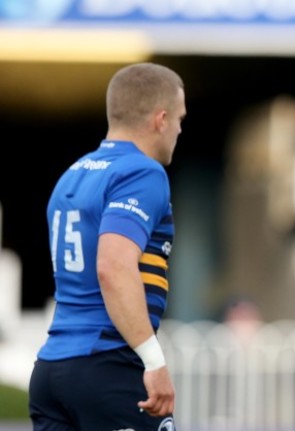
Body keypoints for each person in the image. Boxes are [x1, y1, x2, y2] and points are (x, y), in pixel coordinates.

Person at [28, 62, 186, 430]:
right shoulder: (142, 172)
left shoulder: (73, 173)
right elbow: (113, 266)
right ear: (161, 119)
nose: (180, 129)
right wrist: (154, 361)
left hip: (52, 369)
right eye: (179, 119)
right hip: (107, 366)